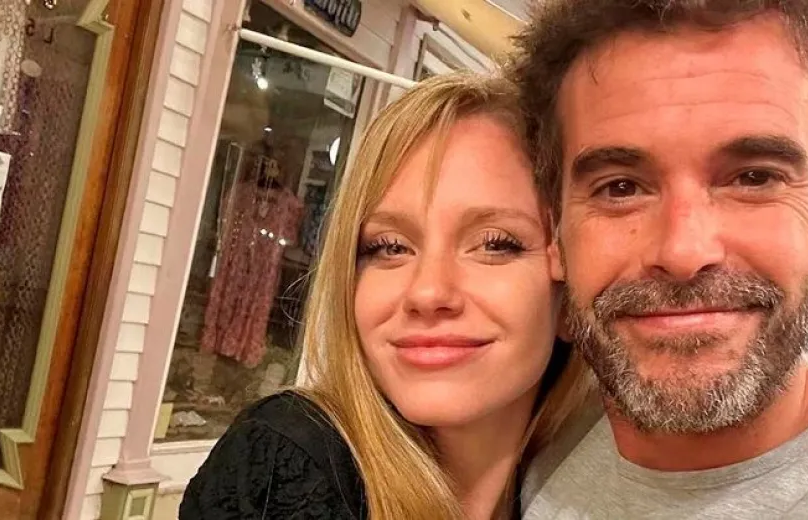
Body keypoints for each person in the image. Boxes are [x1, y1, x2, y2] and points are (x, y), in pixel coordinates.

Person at [506, 1, 808, 518]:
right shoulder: (529, 437)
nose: (683, 252)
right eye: (620, 187)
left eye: (754, 178)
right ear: (554, 233)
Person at [180, 72, 594, 520]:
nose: (428, 291)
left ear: (571, 295)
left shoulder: (582, 493)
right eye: (390, 247)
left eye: (494, 243)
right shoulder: (287, 467)